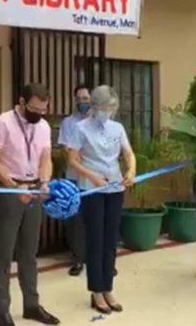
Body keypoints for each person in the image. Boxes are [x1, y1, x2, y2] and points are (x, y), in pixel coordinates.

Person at [0, 84, 60, 326]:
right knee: (4, 254)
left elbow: (45, 159)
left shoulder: (44, 127)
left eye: (43, 110)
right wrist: (11, 185)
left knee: (29, 253)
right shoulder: (3, 122)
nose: (38, 114)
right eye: (34, 108)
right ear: (21, 101)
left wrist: (45, 182)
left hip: (34, 189)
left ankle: (31, 305)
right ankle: (3, 312)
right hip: (10, 191)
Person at [66, 85, 135, 315]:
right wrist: (91, 176)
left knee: (110, 239)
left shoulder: (117, 127)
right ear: (94, 107)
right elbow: (73, 159)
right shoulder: (80, 128)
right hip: (92, 189)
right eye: (105, 108)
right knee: (95, 240)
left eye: (112, 108)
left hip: (115, 187)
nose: (109, 112)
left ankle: (108, 287)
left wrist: (131, 171)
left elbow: (128, 153)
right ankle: (96, 290)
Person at [57, 84, 91, 277]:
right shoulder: (68, 123)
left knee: (95, 219)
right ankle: (78, 259)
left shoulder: (99, 122)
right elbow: (64, 148)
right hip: (73, 178)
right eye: (79, 99)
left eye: (85, 99)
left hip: (95, 180)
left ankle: (99, 259)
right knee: (74, 220)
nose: (82, 102)